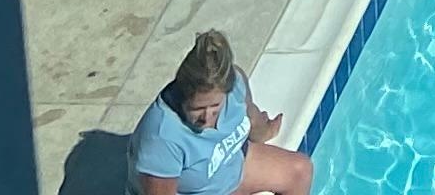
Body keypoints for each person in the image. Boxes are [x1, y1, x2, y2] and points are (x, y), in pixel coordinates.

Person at [131, 28, 307, 195]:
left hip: (232, 172)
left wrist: (264, 130)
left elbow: (250, 116)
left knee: (300, 170)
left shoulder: (235, 84)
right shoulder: (162, 137)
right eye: (197, 109)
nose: (207, 118)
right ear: (183, 94)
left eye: (215, 107)